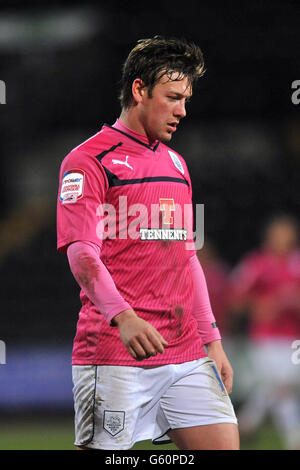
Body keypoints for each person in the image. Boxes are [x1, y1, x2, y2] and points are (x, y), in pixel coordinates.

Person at [56, 36, 239, 450]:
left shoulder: (177, 164)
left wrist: (211, 339)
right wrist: (124, 318)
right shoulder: (88, 161)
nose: (182, 111)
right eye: (173, 97)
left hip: (186, 352)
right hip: (116, 352)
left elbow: (187, 256)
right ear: (139, 90)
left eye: (186, 99)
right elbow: (81, 252)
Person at [228, 214, 300, 449]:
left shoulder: (297, 262)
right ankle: (294, 437)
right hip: (265, 337)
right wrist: (258, 307)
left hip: (293, 337)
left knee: (281, 386)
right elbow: (235, 297)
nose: (283, 238)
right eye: (279, 233)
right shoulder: (256, 263)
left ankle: (247, 422)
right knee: (281, 386)